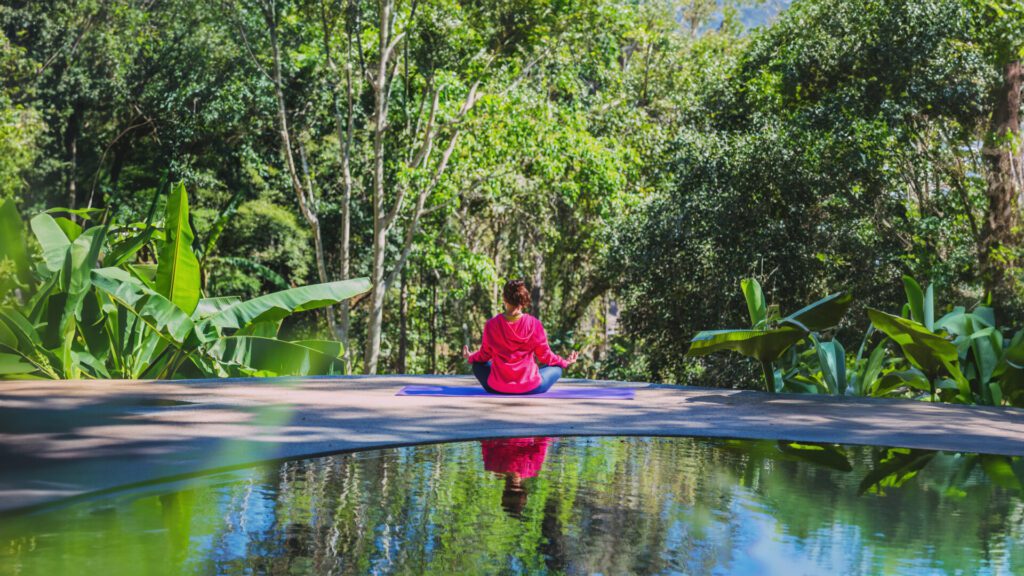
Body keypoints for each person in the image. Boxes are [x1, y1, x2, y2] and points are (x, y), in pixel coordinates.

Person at [463, 279, 579, 395]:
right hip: (530, 387)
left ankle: (503, 383)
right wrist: (564, 362)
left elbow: (484, 356)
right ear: (523, 300)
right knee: (557, 369)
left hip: (497, 388)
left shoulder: (491, 325)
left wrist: (471, 357)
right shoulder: (534, 324)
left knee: (477, 365)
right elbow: (545, 356)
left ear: (504, 298)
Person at [479, 437, 553, 519]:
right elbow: (484, 441)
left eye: (510, 492)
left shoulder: (532, 469)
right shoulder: (492, 465)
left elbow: (543, 440)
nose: (513, 486)